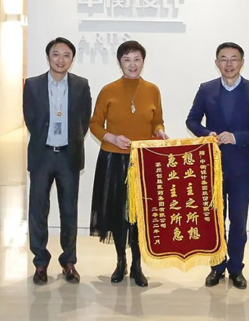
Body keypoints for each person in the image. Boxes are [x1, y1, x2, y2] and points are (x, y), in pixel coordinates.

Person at [186, 42, 249, 290]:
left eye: (234, 59)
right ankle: (216, 266)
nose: (229, 64)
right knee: (215, 219)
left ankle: (236, 269)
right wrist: (206, 133)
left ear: (242, 62)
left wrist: (236, 137)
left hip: (242, 166)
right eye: (223, 59)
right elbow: (192, 120)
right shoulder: (206, 89)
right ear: (216, 63)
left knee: (239, 219)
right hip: (212, 165)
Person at [90, 40, 168, 287]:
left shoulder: (152, 89)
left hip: (142, 160)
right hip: (114, 159)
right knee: (118, 213)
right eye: (127, 60)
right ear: (120, 62)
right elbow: (94, 124)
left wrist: (160, 130)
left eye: (137, 59)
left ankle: (137, 265)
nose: (132, 65)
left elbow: (157, 120)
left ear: (143, 62)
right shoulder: (108, 90)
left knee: (140, 215)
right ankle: (120, 261)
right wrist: (111, 137)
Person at [23, 37, 92, 285]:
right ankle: (40, 263)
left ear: (72, 59)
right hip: (42, 155)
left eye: (66, 55)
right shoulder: (32, 85)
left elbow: (84, 120)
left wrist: (70, 141)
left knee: (69, 210)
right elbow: (30, 118)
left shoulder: (81, 85)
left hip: (68, 156)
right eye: (56, 54)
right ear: (48, 57)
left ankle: (69, 262)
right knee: (38, 210)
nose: (60, 60)